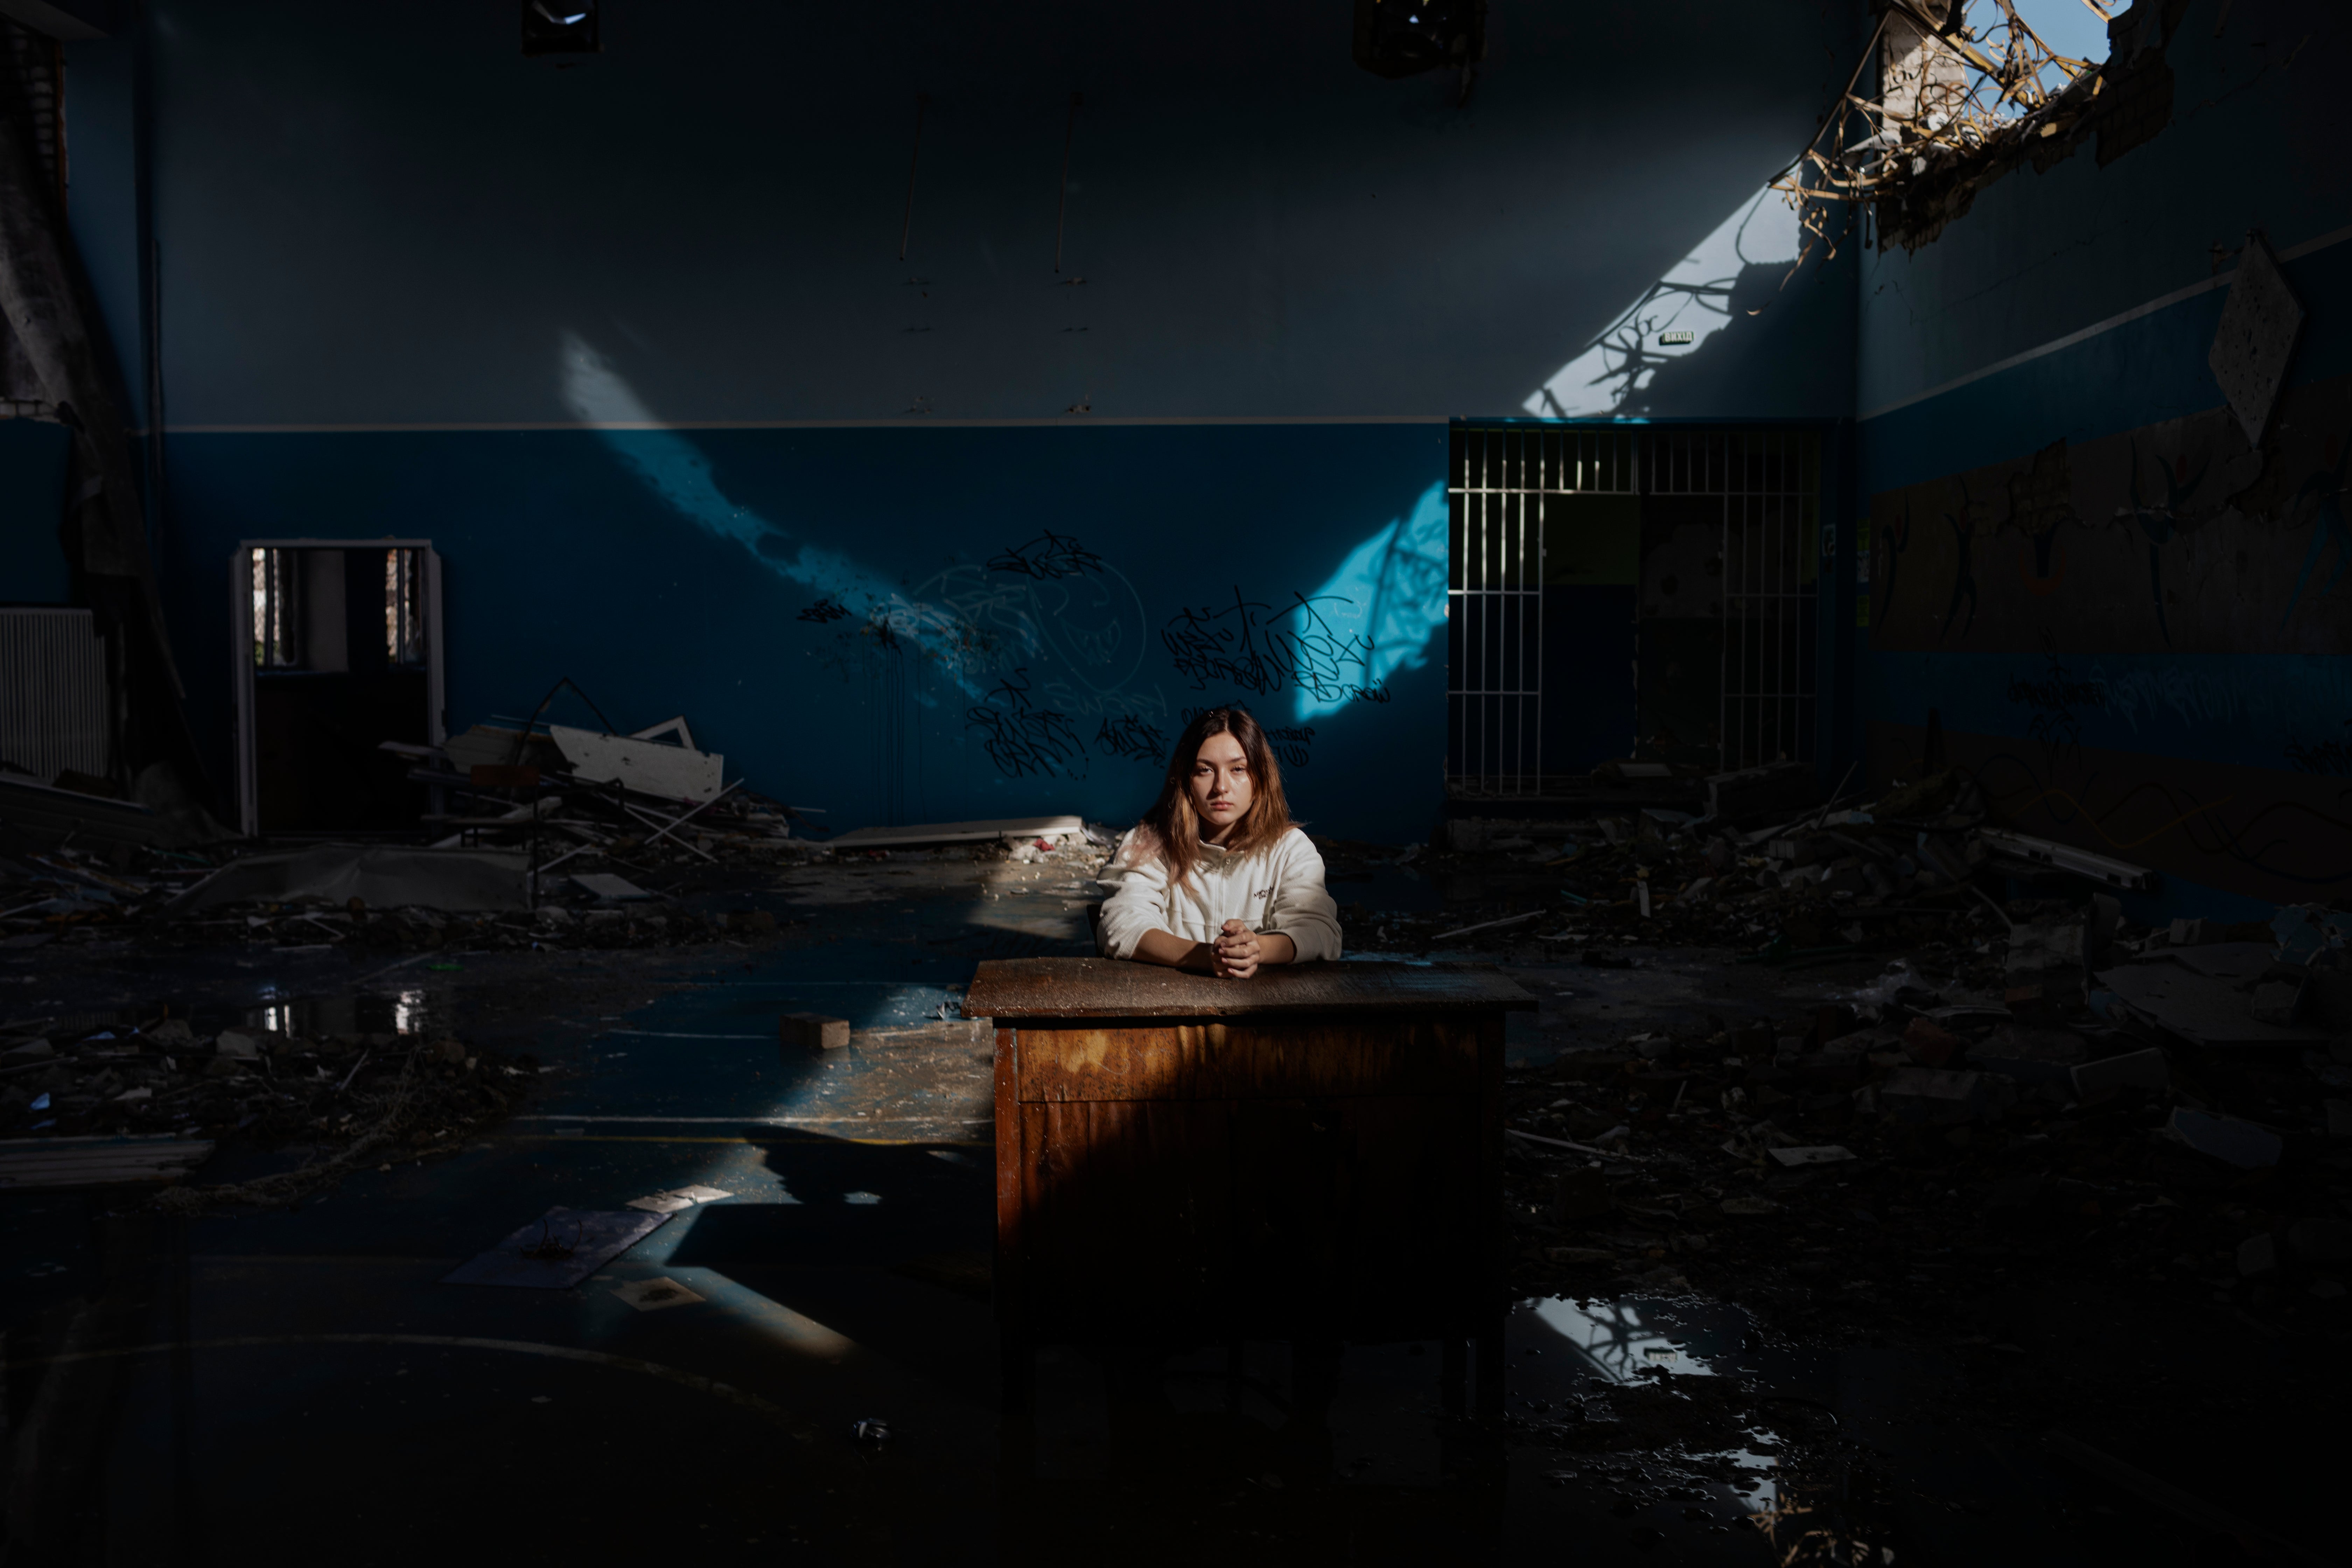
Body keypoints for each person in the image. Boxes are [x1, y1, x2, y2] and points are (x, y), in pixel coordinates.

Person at [1096, 706, 1342, 978]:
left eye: (1238, 769)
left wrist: (1257, 949)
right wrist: (1206, 957)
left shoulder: (1290, 849)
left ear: (1259, 779)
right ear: (1185, 780)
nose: (1221, 787)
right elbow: (1121, 926)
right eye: (1204, 770)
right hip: (1172, 1009)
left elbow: (1320, 932)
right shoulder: (1150, 844)